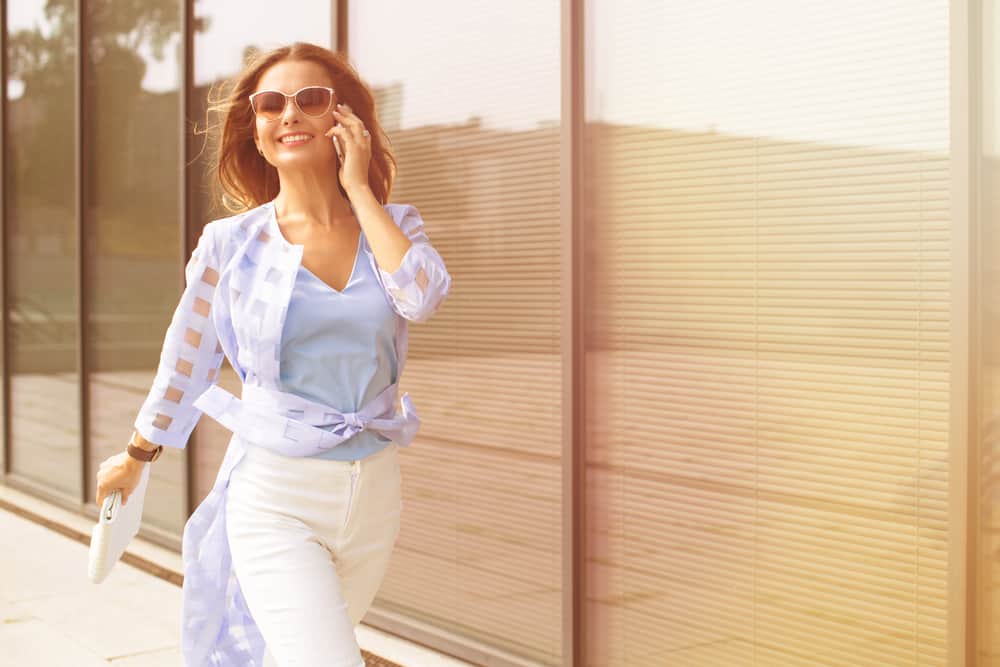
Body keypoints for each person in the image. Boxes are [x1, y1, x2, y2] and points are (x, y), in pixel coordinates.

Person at [94, 41, 451, 666]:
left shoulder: (395, 226)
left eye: (310, 100)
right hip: (275, 493)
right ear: (256, 132)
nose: (289, 114)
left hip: (373, 495)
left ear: (345, 121)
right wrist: (137, 454)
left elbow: (421, 297)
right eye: (270, 104)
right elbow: (188, 355)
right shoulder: (230, 244)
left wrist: (360, 192)